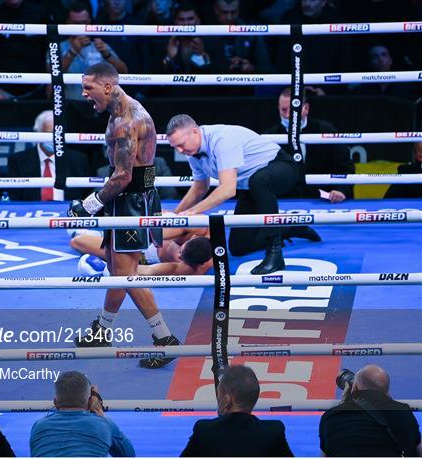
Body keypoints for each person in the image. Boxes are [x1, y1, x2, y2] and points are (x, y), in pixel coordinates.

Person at [67, 62, 180, 369]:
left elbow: (123, 176)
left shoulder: (125, 121)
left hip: (130, 199)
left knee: (125, 273)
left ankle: (164, 339)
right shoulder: (126, 111)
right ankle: (101, 331)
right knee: (118, 267)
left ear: (107, 86)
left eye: (88, 87)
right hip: (132, 198)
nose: (84, 94)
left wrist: (87, 206)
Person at [166, 114, 299, 275]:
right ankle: (287, 229)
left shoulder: (222, 140)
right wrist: (175, 215)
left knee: (259, 181)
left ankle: (275, 253)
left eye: (181, 144)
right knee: (238, 247)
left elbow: (228, 189)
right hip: (252, 186)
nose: (180, 151)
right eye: (175, 147)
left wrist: (193, 211)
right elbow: (200, 188)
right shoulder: (192, 153)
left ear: (194, 132)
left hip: (282, 168)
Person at [264, 87, 355, 204]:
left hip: (325, 201)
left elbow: (345, 166)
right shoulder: (270, 137)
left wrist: (341, 190)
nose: (287, 115)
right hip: (284, 201)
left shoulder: (325, 131)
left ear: (306, 108)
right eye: (283, 110)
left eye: (293, 110)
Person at [181, 365, 294, 456]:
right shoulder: (273, 431)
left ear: (227, 399)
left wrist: (221, 416)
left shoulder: (204, 430)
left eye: (219, 394)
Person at [319, 365, 422, 456]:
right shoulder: (403, 411)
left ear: (355, 387)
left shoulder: (331, 417)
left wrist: (344, 404)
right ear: (387, 391)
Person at [29, 371, 135, 457]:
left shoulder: (38, 426)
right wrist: (100, 414)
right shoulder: (105, 425)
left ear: (55, 403)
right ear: (90, 402)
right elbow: (129, 455)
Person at [0, 0, 49, 100]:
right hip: (0, 91)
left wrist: (51, 82)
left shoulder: (42, 14)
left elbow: (52, 49)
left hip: (37, 89)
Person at [6, 110, 89, 201]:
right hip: (32, 212)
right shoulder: (19, 161)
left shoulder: (78, 160)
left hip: (68, 211)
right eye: (50, 133)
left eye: (58, 134)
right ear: (38, 133)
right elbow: (14, 197)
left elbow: (85, 194)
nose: (55, 138)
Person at [71, 225, 213, 276]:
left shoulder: (191, 269)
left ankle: (103, 237)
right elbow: (157, 232)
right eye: (181, 250)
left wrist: (110, 269)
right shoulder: (198, 228)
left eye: (180, 256)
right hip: (144, 235)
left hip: (141, 253)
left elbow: (149, 271)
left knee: (77, 241)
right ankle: (104, 234)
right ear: (193, 237)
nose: (179, 254)